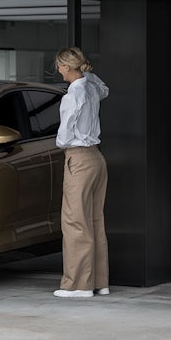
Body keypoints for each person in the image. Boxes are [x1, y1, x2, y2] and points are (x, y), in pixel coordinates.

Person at [53, 47, 110, 299]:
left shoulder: (72, 95)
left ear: (66, 67)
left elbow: (64, 136)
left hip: (78, 158)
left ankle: (78, 285)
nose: (58, 70)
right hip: (97, 158)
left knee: (75, 222)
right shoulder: (91, 87)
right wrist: (87, 74)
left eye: (59, 66)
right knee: (95, 220)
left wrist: (61, 143)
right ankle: (100, 282)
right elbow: (104, 88)